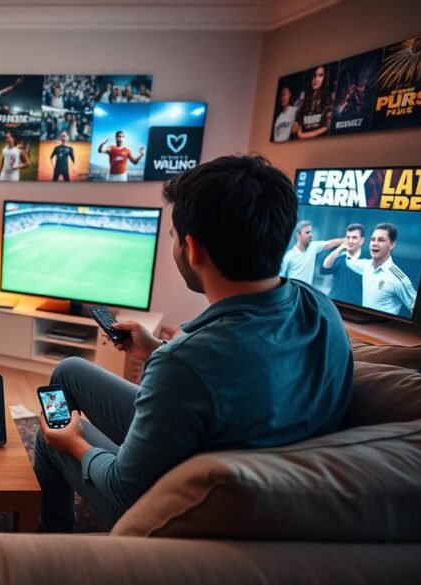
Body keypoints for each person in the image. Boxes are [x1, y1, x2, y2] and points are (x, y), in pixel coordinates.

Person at [34, 155, 353, 531]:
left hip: (179, 510)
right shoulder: (321, 307)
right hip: (251, 471)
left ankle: (52, 536)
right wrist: (156, 349)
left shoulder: (185, 364)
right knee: (69, 371)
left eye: (172, 236)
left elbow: (125, 491)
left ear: (193, 249)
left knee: (51, 430)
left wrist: (75, 445)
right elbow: (237, 379)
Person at [344, 223, 418, 318]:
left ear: (391, 245)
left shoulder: (398, 278)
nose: (374, 243)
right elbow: (349, 262)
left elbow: (416, 309)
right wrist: (346, 245)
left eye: (381, 240)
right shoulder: (366, 265)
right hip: (363, 325)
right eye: (373, 239)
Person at [280, 220, 342, 286]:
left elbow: (330, 243)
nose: (310, 235)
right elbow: (280, 277)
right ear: (298, 235)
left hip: (307, 294)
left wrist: (347, 240)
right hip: (293, 293)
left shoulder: (313, 247)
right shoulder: (289, 256)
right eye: (307, 232)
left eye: (310, 232)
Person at [320, 223, 365, 306]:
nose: (350, 241)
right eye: (348, 237)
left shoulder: (368, 259)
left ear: (361, 241)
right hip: (333, 304)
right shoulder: (340, 257)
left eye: (354, 238)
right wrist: (339, 249)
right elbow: (324, 268)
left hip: (356, 307)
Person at [293, 65, 334, 140]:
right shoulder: (304, 101)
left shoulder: (328, 99)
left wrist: (302, 135)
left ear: (325, 78)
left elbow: (327, 127)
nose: (316, 79)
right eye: (314, 75)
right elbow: (298, 126)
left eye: (320, 75)